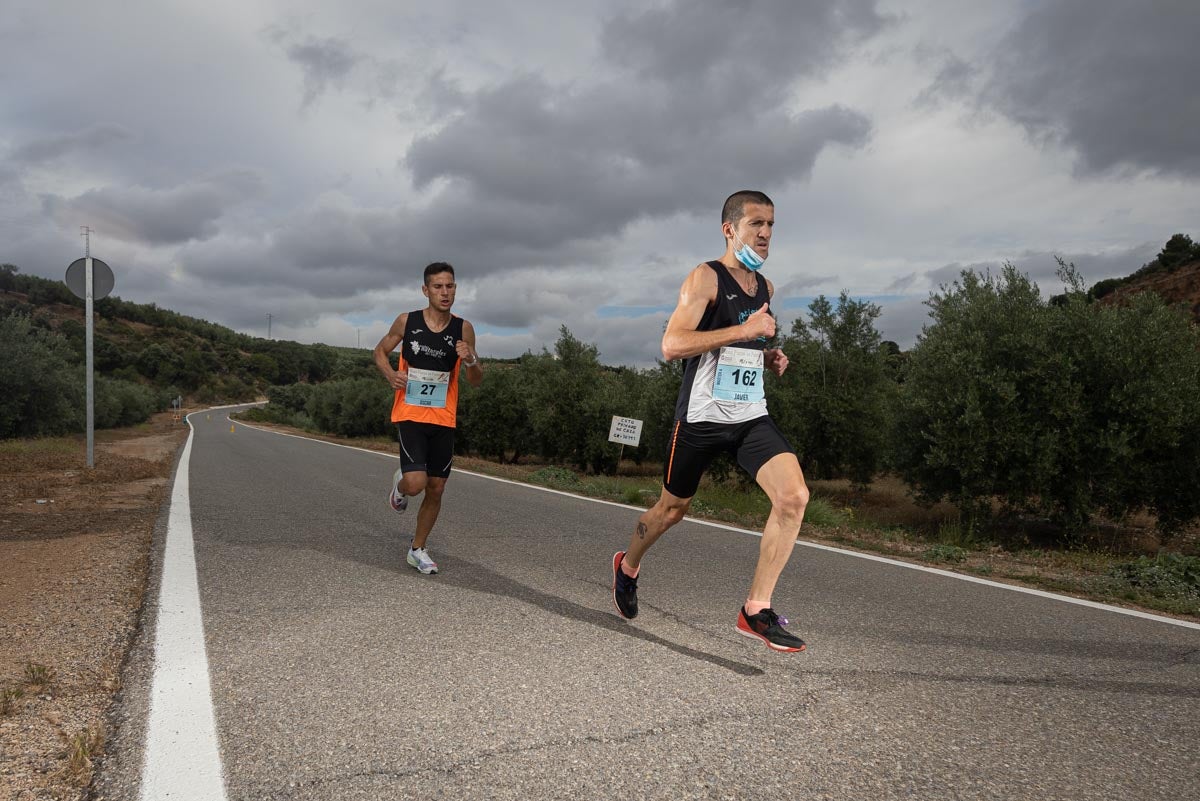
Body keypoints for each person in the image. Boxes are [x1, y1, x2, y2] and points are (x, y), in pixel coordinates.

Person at [612, 190, 810, 652]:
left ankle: (755, 610)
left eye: (771, 226)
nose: (765, 234)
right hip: (700, 419)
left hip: (748, 416)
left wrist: (768, 357)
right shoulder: (705, 278)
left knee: (794, 496)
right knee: (671, 512)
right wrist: (746, 331)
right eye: (756, 224)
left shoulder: (765, 288)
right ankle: (627, 566)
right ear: (730, 229)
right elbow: (673, 345)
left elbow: (739, 350)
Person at [374, 262, 483, 574]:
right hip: (410, 412)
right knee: (417, 482)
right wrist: (389, 373)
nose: (445, 292)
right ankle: (401, 485)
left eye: (450, 286)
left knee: (436, 488)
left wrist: (471, 358)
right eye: (438, 286)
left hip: (443, 418)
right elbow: (379, 352)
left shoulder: (463, 328)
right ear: (426, 290)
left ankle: (417, 548)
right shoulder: (408, 322)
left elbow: (476, 380)